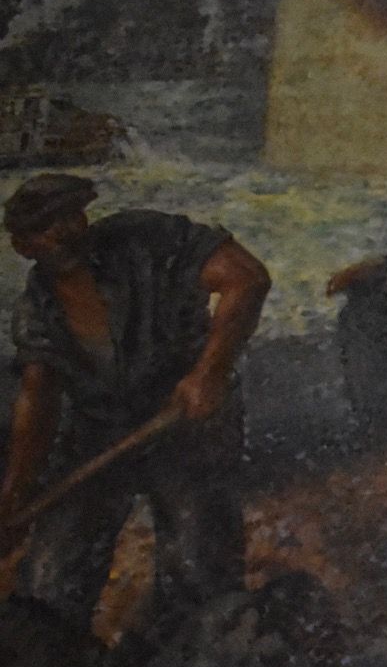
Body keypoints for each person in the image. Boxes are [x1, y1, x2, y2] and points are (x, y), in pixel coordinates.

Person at [0, 173, 270, 638]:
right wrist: (17, 493)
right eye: (45, 227)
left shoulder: (148, 239)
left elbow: (247, 279)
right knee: (49, 583)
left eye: (68, 216)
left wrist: (208, 374)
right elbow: (38, 403)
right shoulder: (37, 311)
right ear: (22, 246)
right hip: (99, 434)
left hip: (184, 422)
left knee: (198, 571)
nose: (62, 232)